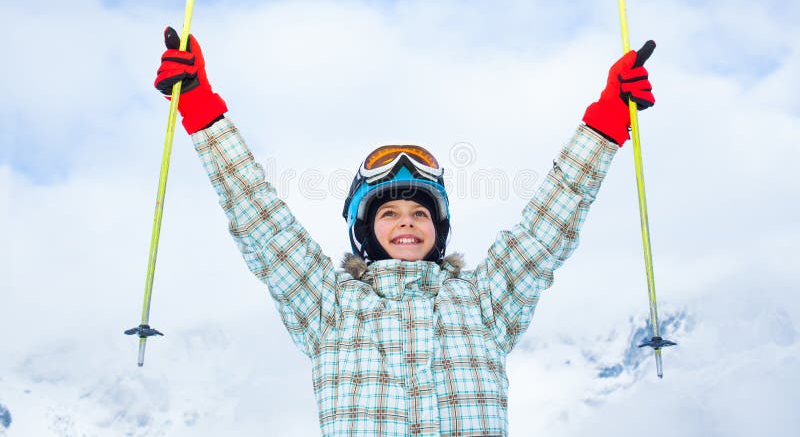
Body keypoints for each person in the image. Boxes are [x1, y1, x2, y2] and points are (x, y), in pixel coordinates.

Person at [153, 26, 656, 437]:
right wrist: (202, 110)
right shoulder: (328, 306)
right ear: (366, 230)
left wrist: (607, 122)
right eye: (389, 213)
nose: (407, 223)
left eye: (420, 214)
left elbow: (547, 228)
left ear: (439, 229)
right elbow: (262, 221)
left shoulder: (483, 302)